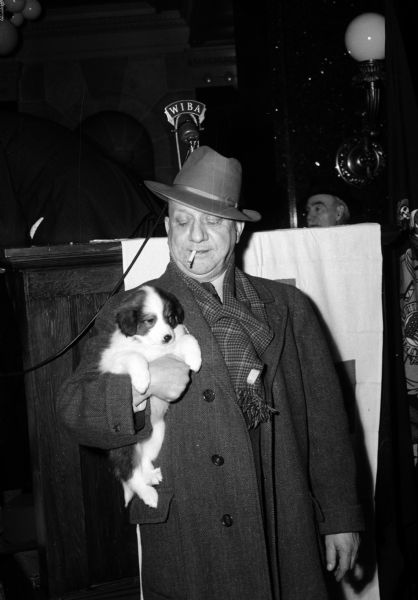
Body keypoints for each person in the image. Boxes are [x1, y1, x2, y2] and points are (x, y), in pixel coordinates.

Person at [57, 146, 363, 600]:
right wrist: (138, 388)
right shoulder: (135, 306)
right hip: (193, 539)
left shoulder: (289, 307)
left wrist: (339, 515)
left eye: (213, 221)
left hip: (284, 519)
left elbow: (325, 422)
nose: (195, 236)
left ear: (237, 229)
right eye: (182, 221)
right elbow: (72, 406)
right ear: (166, 226)